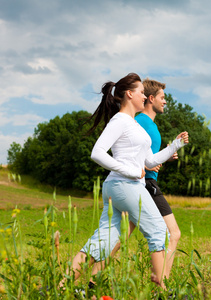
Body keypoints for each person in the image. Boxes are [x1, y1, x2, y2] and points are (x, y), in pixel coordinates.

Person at [62, 73, 189, 291]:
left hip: (122, 187)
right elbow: (97, 152)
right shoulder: (119, 120)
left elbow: (148, 161)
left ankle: (62, 287)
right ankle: (163, 292)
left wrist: (174, 146)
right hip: (125, 185)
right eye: (141, 92)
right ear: (130, 94)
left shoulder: (134, 125)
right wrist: (130, 171)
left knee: (104, 240)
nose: (144, 96)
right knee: (159, 232)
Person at [135, 78, 181, 280]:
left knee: (117, 237)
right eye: (162, 98)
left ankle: (91, 279)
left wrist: (166, 156)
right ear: (151, 98)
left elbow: (148, 156)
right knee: (173, 233)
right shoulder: (141, 121)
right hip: (146, 183)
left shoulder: (151, 125)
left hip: (148, 181)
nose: (165, 102)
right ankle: (162, 281)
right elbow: (128, 150)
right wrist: (145, 166)